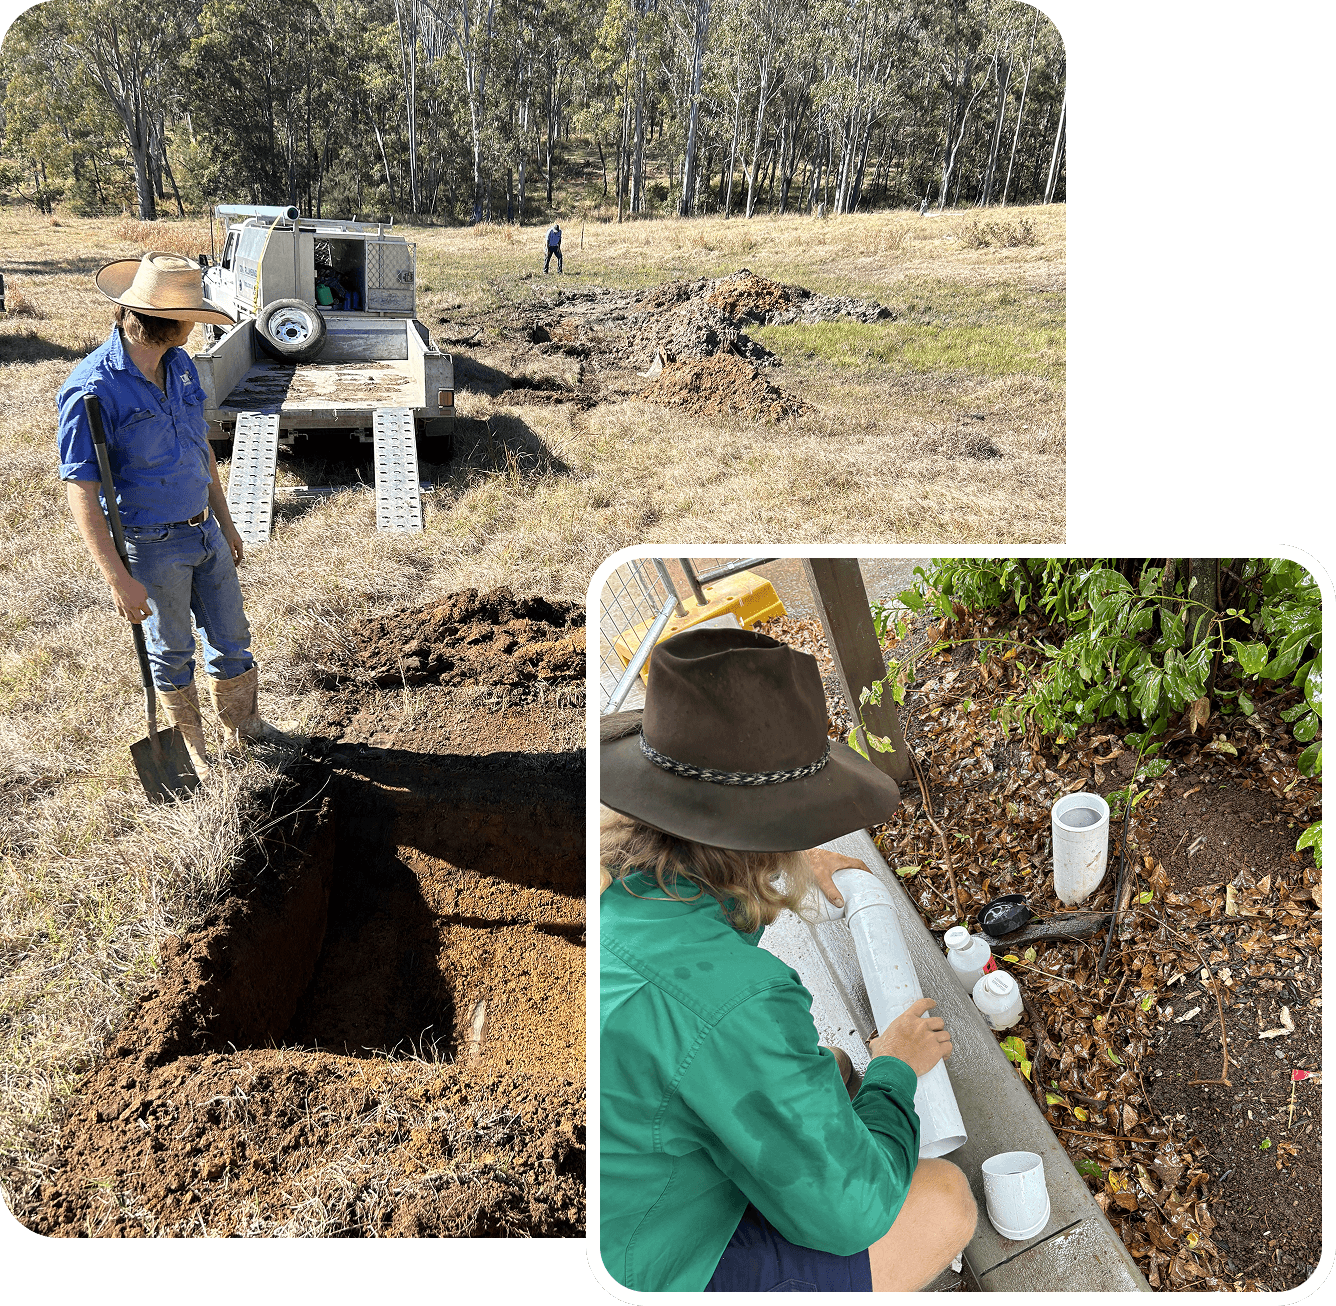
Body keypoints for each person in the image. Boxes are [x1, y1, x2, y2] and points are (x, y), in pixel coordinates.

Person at [599, 626, 976, 1292]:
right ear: (766, 840)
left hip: (627, 1206)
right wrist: (894, 1069)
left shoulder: (612, 888)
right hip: (658, 1269)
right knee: (943, 1199)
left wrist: (779, 870)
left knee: (825, 1070)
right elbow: (851, 1211)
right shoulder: (738, 999)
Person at [57, 251, 280, 777]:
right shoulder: (91, 390)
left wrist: (225, 524)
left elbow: (200, 448)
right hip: (152, 544)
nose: (195, 326)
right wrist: (117, 578)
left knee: (232, 636)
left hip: (203, 530)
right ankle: (194, 751)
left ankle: (244, 731)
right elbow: (82, 491)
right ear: (161, 322)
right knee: (173, 648)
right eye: (190, 318)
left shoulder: (179, 365)